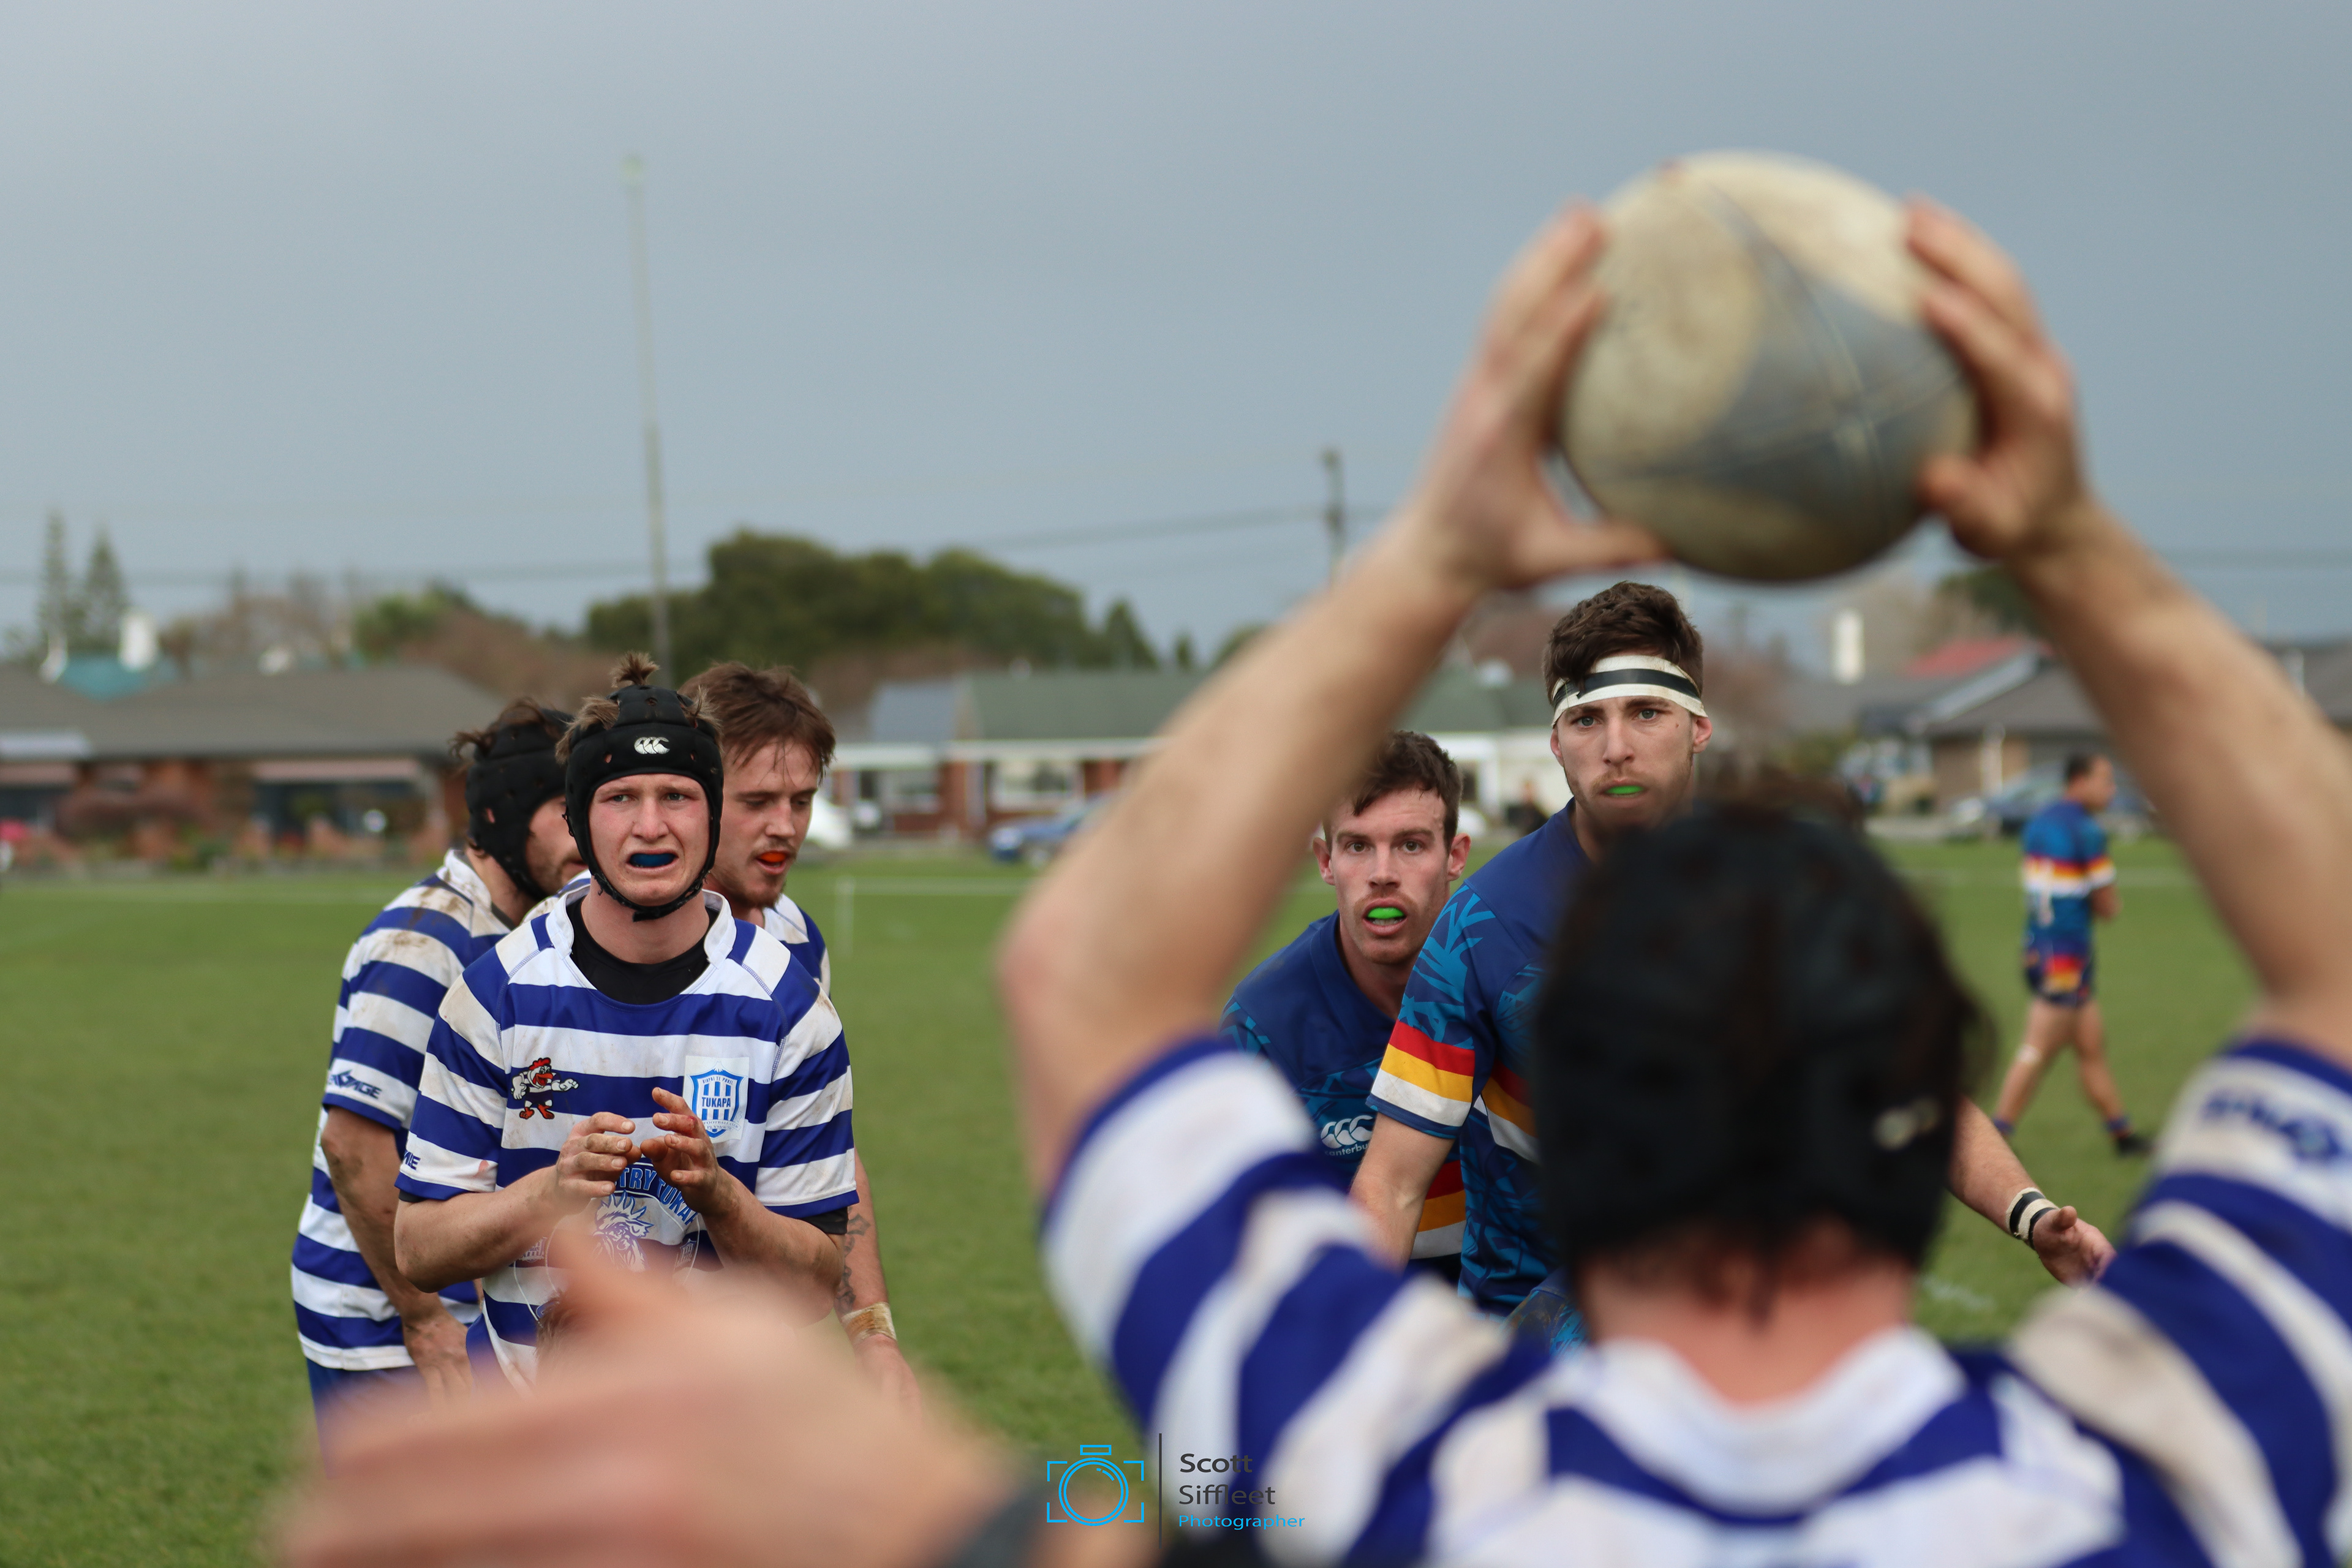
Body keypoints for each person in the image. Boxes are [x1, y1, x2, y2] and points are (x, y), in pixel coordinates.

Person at [282, 201, 2352, 1568]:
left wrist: (1436, 550)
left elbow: (1088, 979)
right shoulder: (2190, 1462)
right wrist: (2067, 538)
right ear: (1919, 1117)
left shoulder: (1406, 1478)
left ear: (1576, 1116)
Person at [1350, 585, 2109, 1316]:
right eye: (1586, 720)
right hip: (1543, 1338)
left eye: (1646, 712)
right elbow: (1392, 1184)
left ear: (1699, 727)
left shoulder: (1785, 893)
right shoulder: (1481, 927)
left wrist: (2032, 1214)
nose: (1615, 748)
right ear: (1555, 742)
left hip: (1738, 1315)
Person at [392, 656, 856, 1387]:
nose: (650, 825)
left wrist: (719, 1196)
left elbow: (814, 1286)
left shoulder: (790, 1008)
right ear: (579, 820)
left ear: (711, 814)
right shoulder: (496, 994)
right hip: (529, 1422)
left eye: (677, 795)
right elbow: (418, 1249)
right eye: (620, 797)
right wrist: (551, 1192)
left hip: (721, 1427)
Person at [289, 699, 579, 1457]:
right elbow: (353, 1145)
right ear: (504, 815)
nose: (588, 833)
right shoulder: (424, 941)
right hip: (384, 1321)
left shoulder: (530, 935)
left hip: (470, 1302)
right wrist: (424, 1317)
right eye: (564, 809)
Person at [682, 659, 919, 1408]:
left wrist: (872, 1332)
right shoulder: (590, 937)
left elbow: (829, 1150)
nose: (785, 825)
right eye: (756, 801)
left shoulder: (796, 942)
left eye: (802, 800)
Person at [1219, 730, 1472, 1285]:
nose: (1383, 873)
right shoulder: (1264, 1028)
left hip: (1517, 1313)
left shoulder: (1511, 984)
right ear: (1326, 860)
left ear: (1454, 856)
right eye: (1358, 846)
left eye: (1411, 845)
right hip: (1363, 1315)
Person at [1995, 750, 2149, 1153]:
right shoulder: (2087, 830)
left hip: (2037, 946)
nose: (2112, 790)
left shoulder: (2039, 822)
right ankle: (1995, 1138)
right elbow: (2108, 907)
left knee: (2090, 1047)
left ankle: (2123, 1136)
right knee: (2036, 1049)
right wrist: (2108, 903)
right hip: (2065, 956)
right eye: (2105, 780)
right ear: (2079, 782)